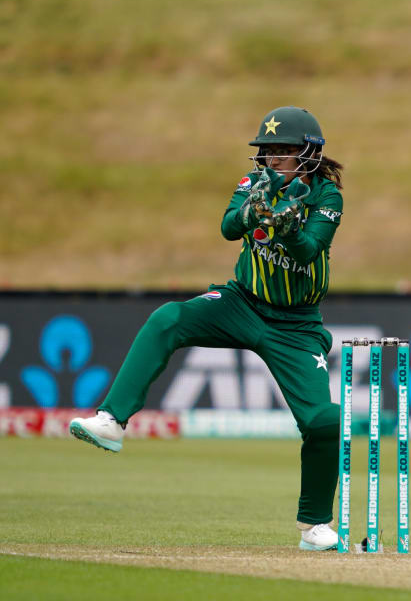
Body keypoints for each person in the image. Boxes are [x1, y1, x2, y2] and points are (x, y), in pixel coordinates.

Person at [70, 106, 346, 551]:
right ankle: (111, 420)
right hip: (241, 302)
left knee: (325, 420)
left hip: (295, 326)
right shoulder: (251, 183)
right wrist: (254, 210)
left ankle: (315, 526)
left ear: (309, 154)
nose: (272, 158)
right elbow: (226, 228)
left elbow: (310, 250)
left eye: (283, 151)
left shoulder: (327, 197)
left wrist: (288, 227)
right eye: (267, 151)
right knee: (168, 318)